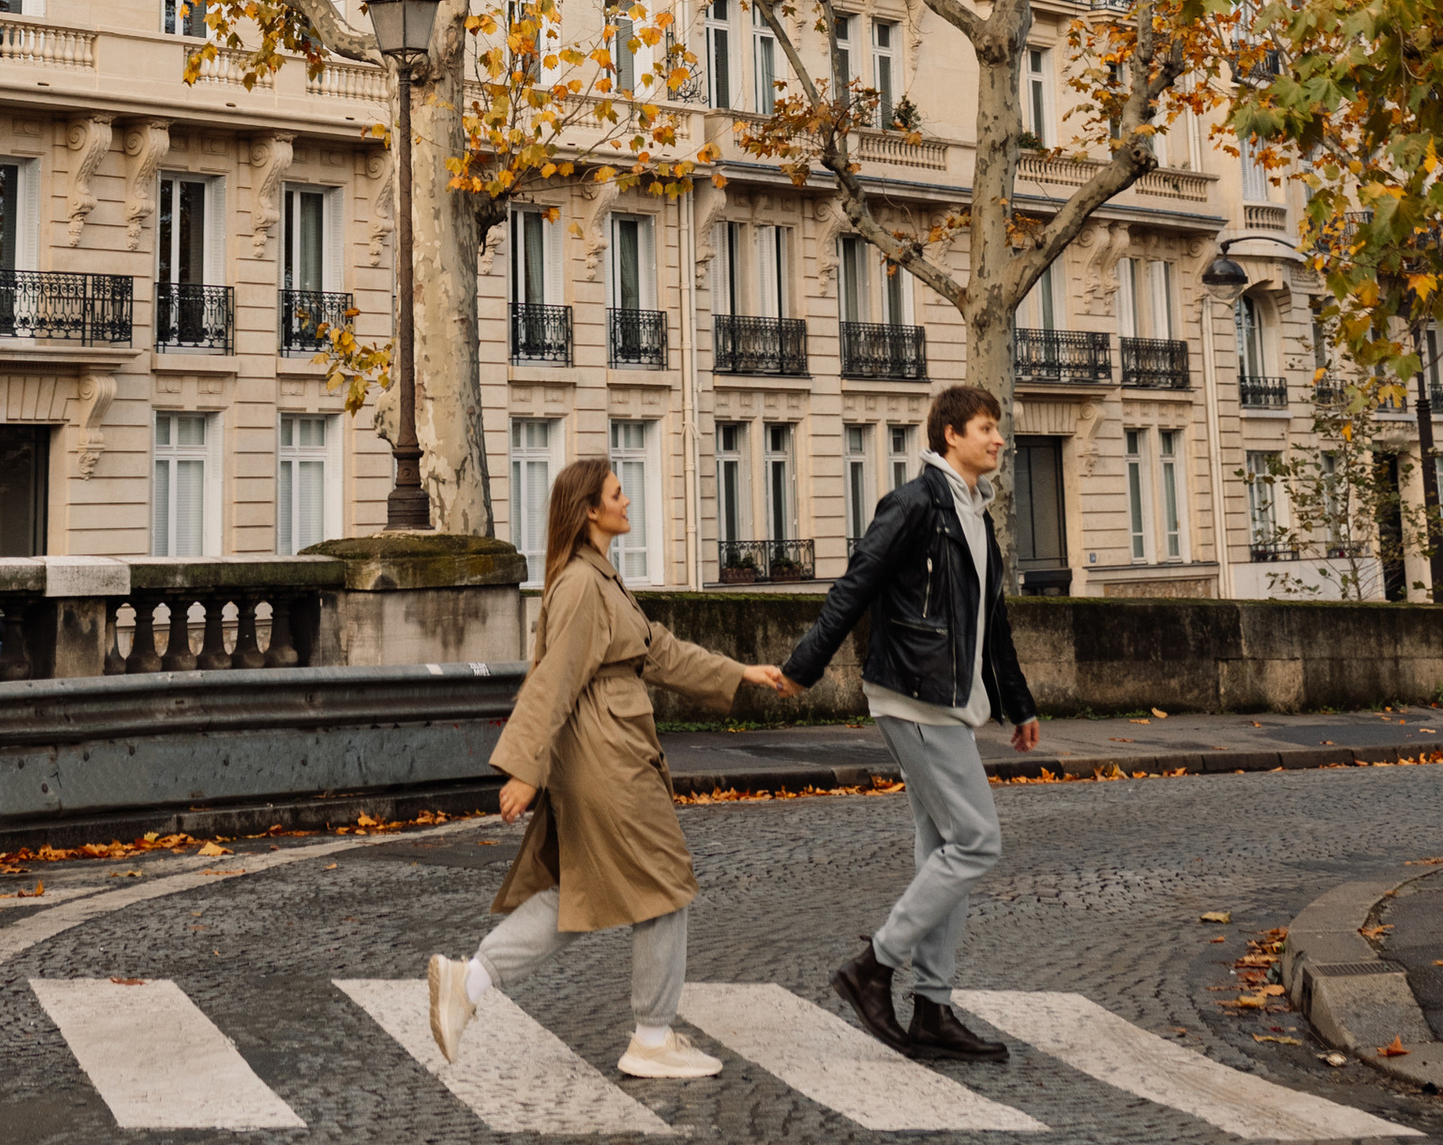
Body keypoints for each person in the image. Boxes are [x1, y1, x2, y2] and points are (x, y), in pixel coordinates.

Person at [427, 451, 791, 1082]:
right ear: (590, 510)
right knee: (664, 882)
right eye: (617, 493)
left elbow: (659, 652)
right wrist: (524, 770)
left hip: (608, 750)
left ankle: (471, 981)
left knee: (582, 890)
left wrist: (738, 673)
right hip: (607, 758)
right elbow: (554, 679)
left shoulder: (600, 579)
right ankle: (650, 1038)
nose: (627, 501)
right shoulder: (581, 585)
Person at [780, 381, 1040, 1062]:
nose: (999, 439)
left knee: (943, 852)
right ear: (951, 434)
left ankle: (932, 1008)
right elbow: (855, 585)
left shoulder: (976, 513)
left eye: (998, 428)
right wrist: (804, 667)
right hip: (915, 696)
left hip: (949, 699)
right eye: (986, 427)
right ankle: (874, 966)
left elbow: (992, 622)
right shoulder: (915, 502)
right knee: (976, 841)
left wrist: (1018, 702)